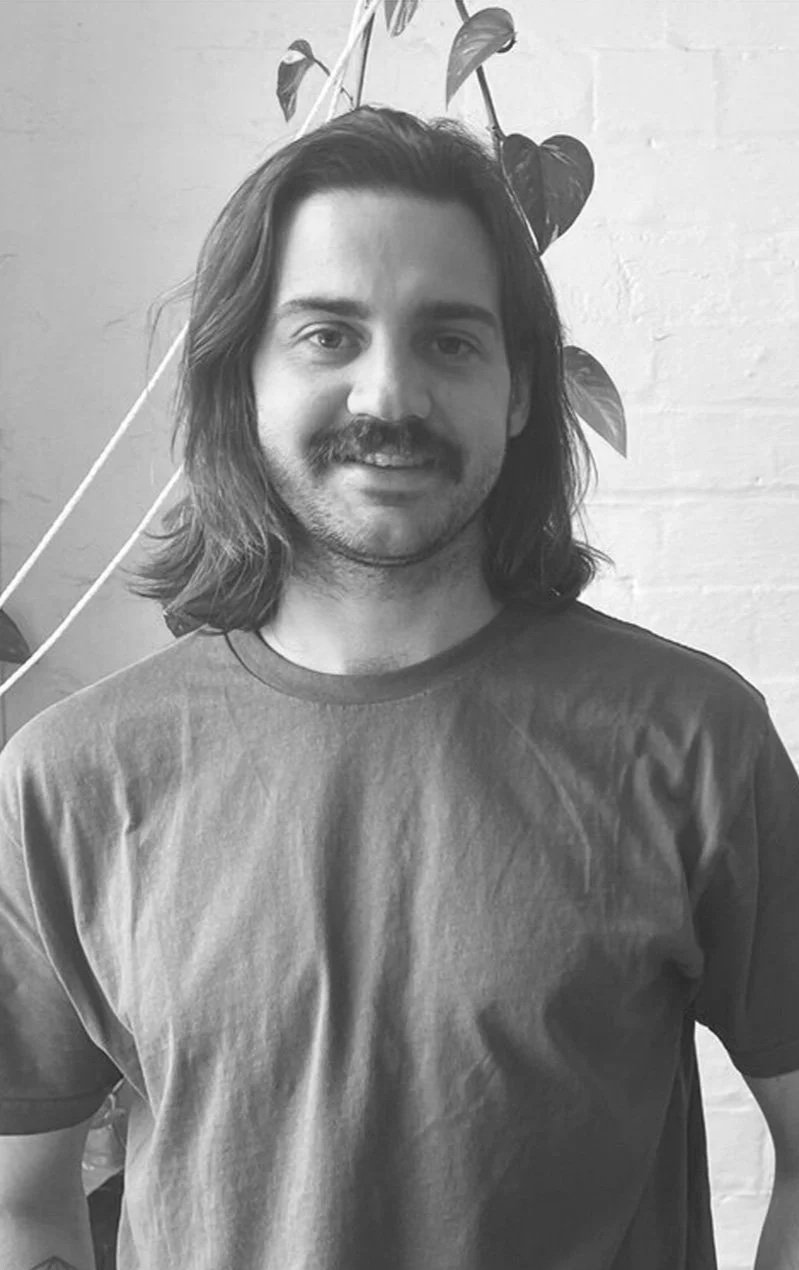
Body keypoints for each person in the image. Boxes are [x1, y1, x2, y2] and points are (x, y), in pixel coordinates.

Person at [0, 105, 798, 1270]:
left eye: (451, 340)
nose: (389, 396)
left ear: (521, 393)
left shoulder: (689, 741)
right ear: (241, 379)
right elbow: (22, 1204)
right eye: (328, 334)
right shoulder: (68, 778)